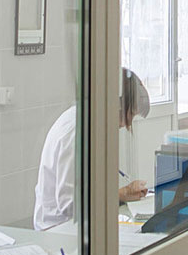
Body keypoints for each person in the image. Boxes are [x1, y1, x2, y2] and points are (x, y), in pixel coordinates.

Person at [33, 68, 151, 230]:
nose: (127, 124)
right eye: (130, 114)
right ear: (116, 104)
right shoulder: (76, 131)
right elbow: (69, 205)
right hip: (59, 229)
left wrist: (121, 194)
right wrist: (120, 194)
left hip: (81, 224)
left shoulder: (92, 121)